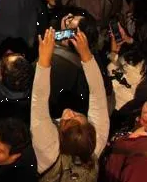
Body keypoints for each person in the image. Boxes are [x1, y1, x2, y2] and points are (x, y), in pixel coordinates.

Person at [31, 29, 109, 182]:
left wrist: (44, 59)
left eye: (67, 121)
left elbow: (38, 100)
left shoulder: (48, 148)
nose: (70, 113)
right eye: (79, 116)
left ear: (61, 138)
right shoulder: (95, 142)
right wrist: (86, 55)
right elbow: (98, 94)